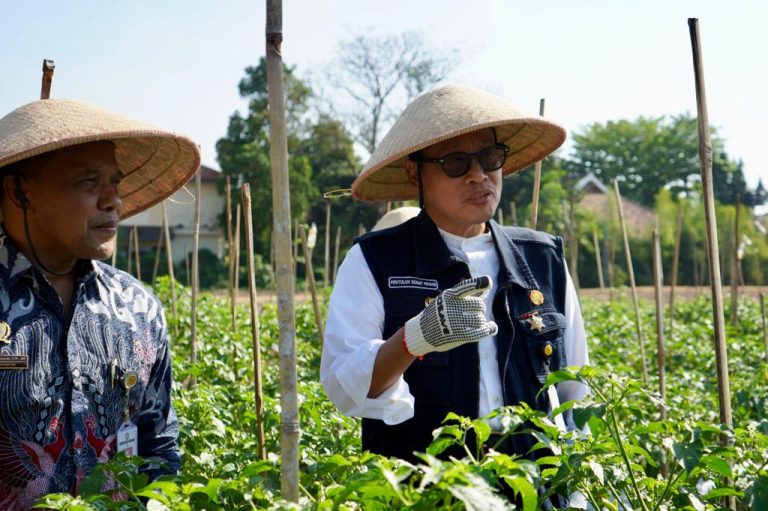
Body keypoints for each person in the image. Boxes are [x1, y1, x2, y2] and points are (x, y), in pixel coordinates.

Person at [321, 84, 589, 465]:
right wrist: (413, 339)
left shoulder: (542, 259)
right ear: (416, 172)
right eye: (455, 163)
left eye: (490, 157)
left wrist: (578, 488)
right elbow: (344, 386)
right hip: (424, 486)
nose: (478, 176)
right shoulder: (376, 260)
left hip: (535, 483)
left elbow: (574, 392)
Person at [0, 97, 200, 509]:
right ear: (19, 192)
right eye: (89, 182)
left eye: (115, 182)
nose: (112, 201)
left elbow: (158, 447)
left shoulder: (137, 310)